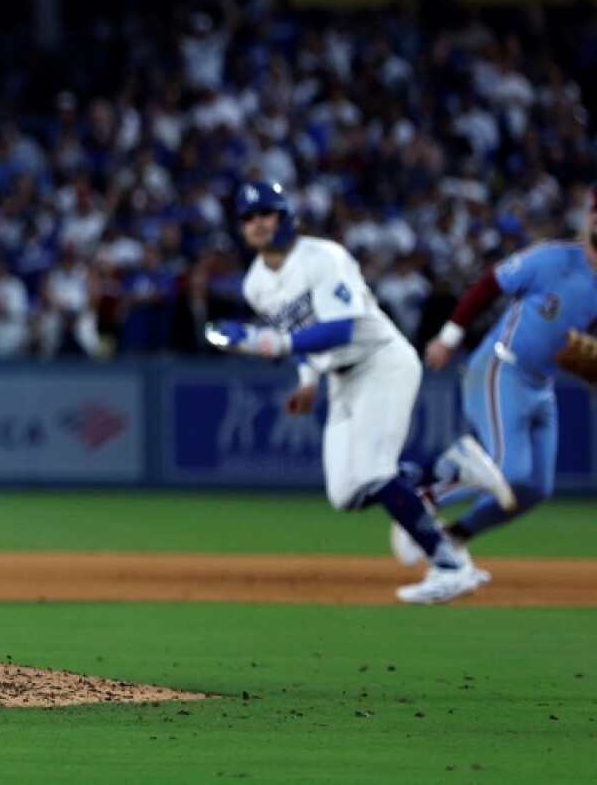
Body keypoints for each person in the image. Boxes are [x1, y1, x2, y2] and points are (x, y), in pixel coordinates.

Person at [207, 181, 511, 605]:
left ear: (284, 216)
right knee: (346, 493)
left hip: (381, 360)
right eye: (248, 217)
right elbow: (297, 334)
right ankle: (450, 468)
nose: (257, 223)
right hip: (340, 377)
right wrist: (307, 380)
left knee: (373, 470)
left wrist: (276, 345)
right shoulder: (255, 283)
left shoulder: (323, 257)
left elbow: (340, 327)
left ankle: (451, 565)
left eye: (265, 213)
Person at [390, 184, 597, 569]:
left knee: (534, 488)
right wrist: (449, 337)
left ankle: (454, 537)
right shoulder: (553, 258)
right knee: (509, 469)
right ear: (589, 219)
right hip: (503, 367)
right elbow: (490, 284)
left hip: (541, 385)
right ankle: (421, 502)